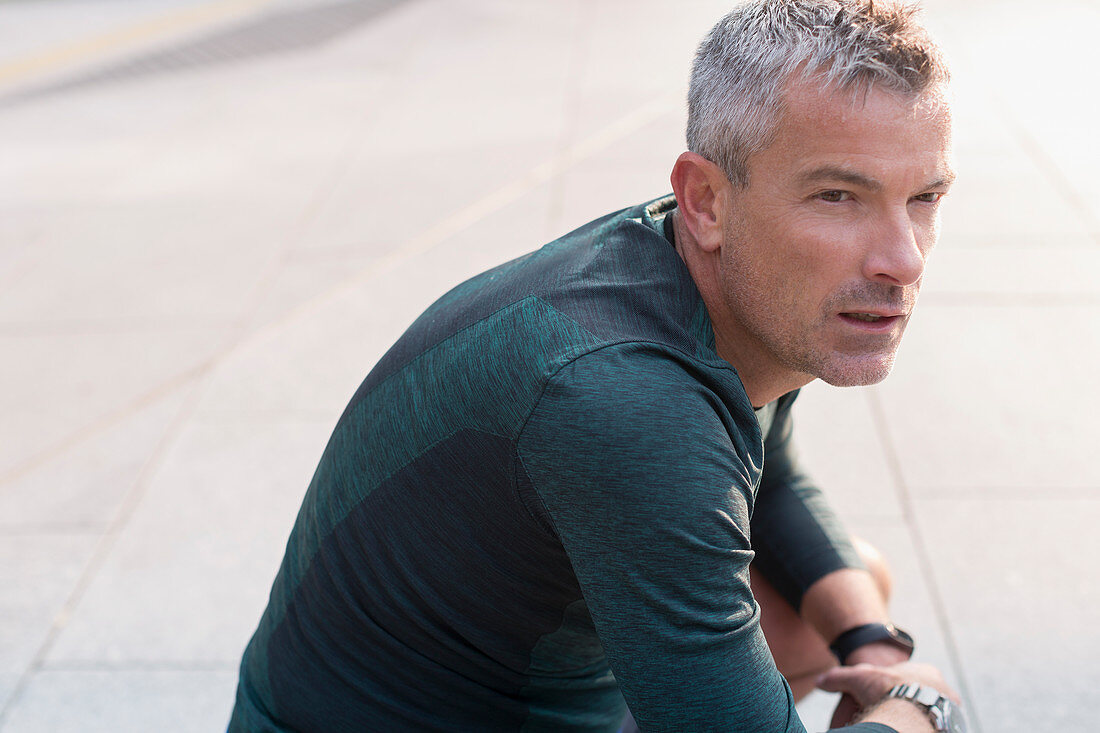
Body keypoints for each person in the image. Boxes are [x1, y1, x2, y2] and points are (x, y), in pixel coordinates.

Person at [230, 1, 966, 731]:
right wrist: (923, 706)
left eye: (924, 197)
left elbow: (772, 474)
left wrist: (875, 646)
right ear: (705, 199)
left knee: (855, 584)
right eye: (838, 196)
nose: (902, 259)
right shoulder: (625, 400)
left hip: (528, 686)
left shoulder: (699, 269)